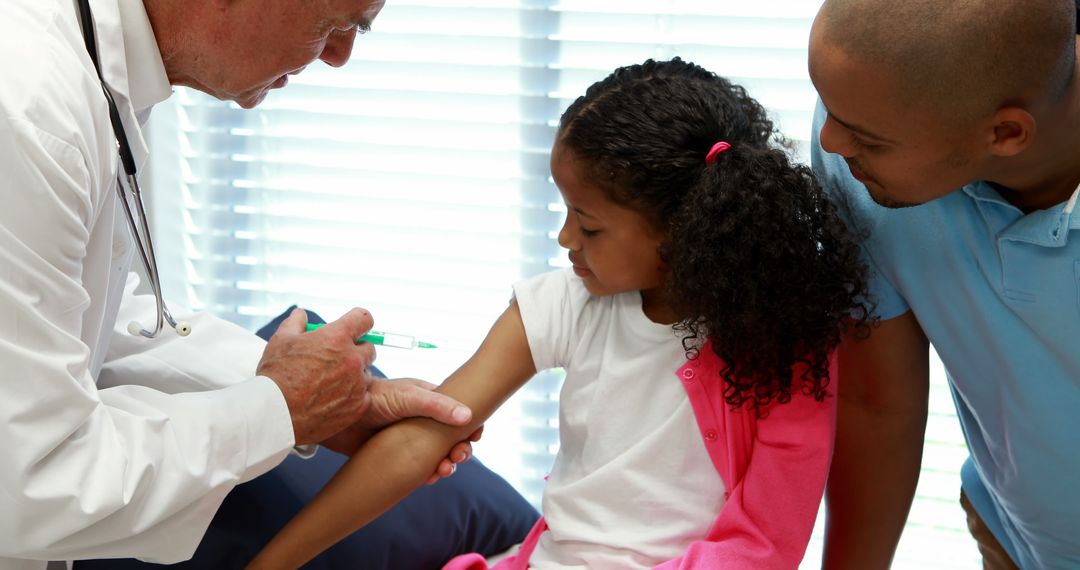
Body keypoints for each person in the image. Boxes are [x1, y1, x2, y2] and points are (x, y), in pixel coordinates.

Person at [245, 57, 872, 570]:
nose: (566, 239)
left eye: (590, 225)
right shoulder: (565, 302)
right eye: (566, 211)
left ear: (684, 231)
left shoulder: (782, 342)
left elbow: (763, 545)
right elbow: (426, 434)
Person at [0, 0, 536, 568]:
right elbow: (32, 484)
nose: (339, 56)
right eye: (337, 21)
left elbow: (92, 326)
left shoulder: (98, 78)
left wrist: (325, 404)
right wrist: (278, 409)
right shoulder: (27, 109)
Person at [806, 0, 1080, 568]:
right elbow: (877, 403)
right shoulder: (867, 131)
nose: (831, 142)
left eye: (866, 139)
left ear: (1005, 133)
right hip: (1014, 537)